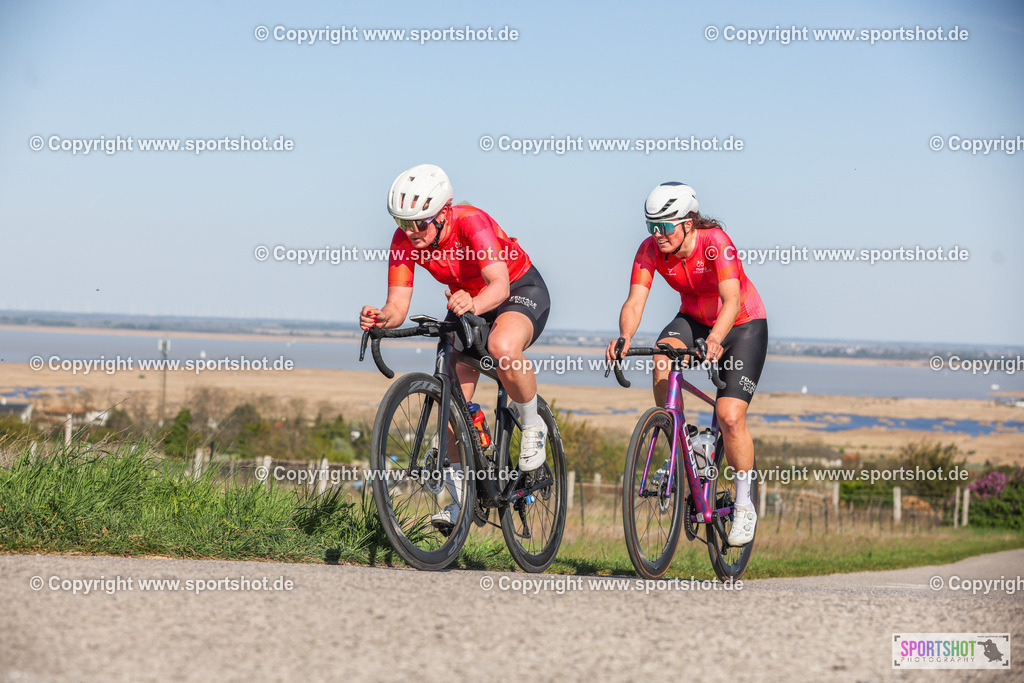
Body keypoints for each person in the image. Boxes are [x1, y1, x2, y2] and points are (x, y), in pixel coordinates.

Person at [360, 164, 551, 529]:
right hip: (468, 302)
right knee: (451, 408)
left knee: (501, 344)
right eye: (403, 223)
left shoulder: (471, 222)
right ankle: (464, 502)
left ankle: (532, 427)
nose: (411, 232)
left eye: (419, 223)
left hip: (518, 291)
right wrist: (381, 317)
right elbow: (398, 305)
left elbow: (498, 285)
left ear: (444, 214)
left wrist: (474, 305)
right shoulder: (405, 241)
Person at [606, 182, 768, 546]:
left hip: (741, 324)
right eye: (651, 226)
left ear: (688, 224)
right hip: (693, 318)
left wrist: (715, 340)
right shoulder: (651, 250)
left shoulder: (716, 243)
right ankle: (679, 434)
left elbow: (730, 300)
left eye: (664, 227)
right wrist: (625, 337)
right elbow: (635, 300)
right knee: (662, 354)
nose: (657, 235)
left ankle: (744, 505)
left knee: (729, 416)